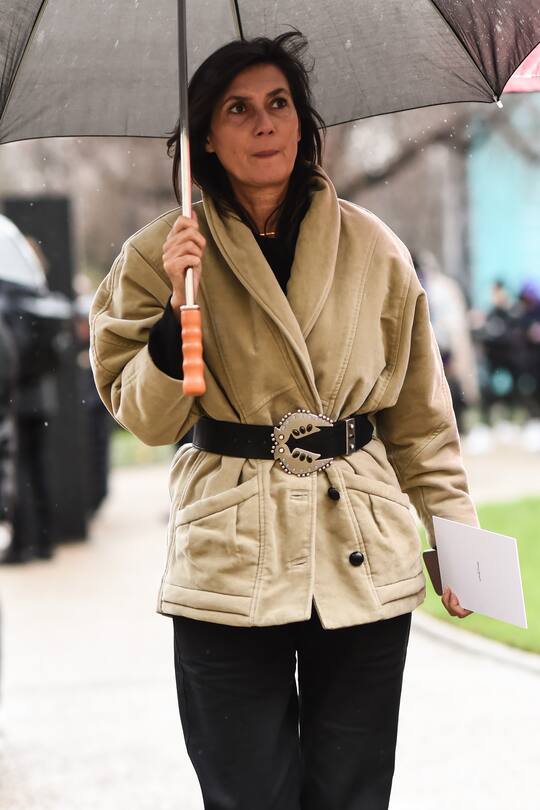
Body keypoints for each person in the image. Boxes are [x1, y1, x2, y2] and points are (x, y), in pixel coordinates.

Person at [90, 32, 478, 810]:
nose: (264, 124)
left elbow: (422, 422)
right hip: (228, 555)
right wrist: (177, 308)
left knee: (352, 793)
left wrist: (458, 543)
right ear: (206, 135)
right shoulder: (157, 254)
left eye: (279, 104)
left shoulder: (376, 248)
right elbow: (144, 417)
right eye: (238, 109)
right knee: (246, 794)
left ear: (303, 123)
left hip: (360, 547)